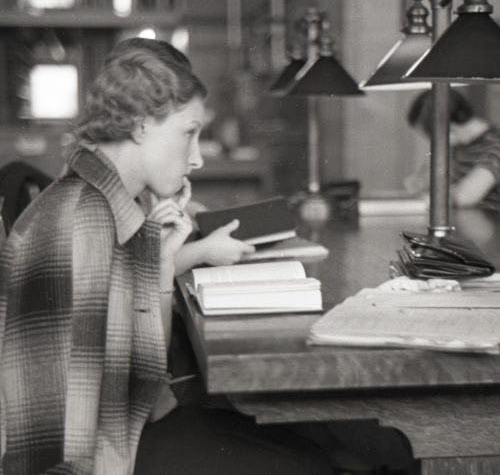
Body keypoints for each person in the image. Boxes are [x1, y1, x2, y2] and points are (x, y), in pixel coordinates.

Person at [0, 37, 418, 475]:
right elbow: (67, 431)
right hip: (106, 455)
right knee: (321, 459)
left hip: (134, 427)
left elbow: (145, 374)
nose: (197, 157)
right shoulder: (83, 220)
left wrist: (160, 266)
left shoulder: (106, 204)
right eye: (189, 133)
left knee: (338, 442)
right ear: (141, 124)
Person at [406, 89, 500, 209]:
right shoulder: (458, 146)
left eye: (432, 136)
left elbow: (465, 196)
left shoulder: (496, 145)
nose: (433, 143)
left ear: (449, 128)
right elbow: (419, 185)